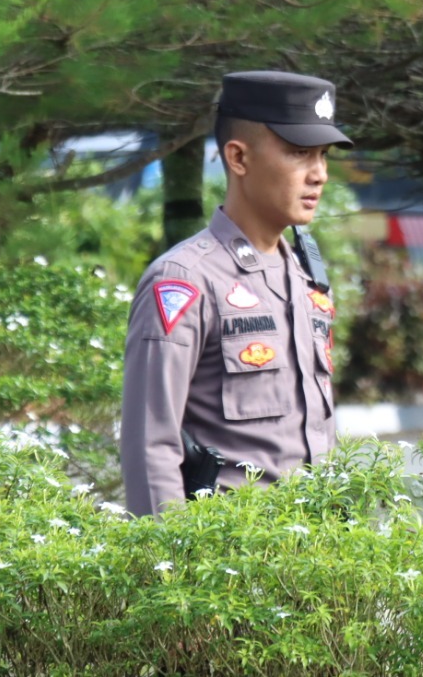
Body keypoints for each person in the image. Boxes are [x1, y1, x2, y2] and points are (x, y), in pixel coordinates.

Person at [120, 71, 353, 517]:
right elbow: (151, 443)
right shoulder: (185, 280)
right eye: (299, 153)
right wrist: (170, 568)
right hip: (228, 566)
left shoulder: (306, 279)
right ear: (239, 157)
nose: (319, 174)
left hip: (317, 561)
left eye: (323, 155)